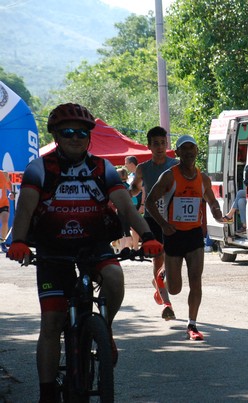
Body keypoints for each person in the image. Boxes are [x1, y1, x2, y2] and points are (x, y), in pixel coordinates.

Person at [6, 103, 163, 403]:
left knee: (114, 276)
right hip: (52, 251)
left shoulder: (102, 168)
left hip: (93, 244)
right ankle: (47, 392)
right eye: (67, 133)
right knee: (51, 323)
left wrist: (147, 236)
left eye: (81, 133)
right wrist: (20, 241)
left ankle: (105, 329)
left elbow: (127, 207)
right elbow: (25, 209)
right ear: (55, 135)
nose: (75, 138)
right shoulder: (39, 168)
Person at [145, 135, 226, 340]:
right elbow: (150, 202)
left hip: (194, 235)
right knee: (175, 288)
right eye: (185, 149)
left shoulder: (203, 178)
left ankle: (192, 325)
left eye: (193, 148)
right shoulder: (169, 176)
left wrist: (217, 213)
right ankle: (162, 275)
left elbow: (211, 201)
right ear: (178, 153)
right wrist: (164, 225)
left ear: (197, 152)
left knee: (196, 280)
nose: (189, 152)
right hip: (173, 235)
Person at [129, 127, 178, 320]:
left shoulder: (176, 165)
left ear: (167, 144)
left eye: (162, 142)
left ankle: (158, 283)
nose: (160, 147)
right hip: (152, 217)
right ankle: (167, 305)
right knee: (158, 257)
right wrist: (123, 197)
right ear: (149, 146)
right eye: (155, 143)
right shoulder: (143, 168)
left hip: (173, 217)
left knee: (172, 260)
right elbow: (134, 189)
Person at [124, 155, 142, 249]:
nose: (125, 165)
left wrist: (142, 205)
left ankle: (135, 247)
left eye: (126, 163)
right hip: (132, 204)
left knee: (135, 226)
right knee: (132, 226)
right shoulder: (130, 176)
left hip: (139, 204)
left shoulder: (140, 175)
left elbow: (144, 190)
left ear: (131, 164)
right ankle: (134, 247)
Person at [0, 170, 14, 253]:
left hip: (3, 204)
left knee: (5, 222)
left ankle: (2, 242)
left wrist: (11, 193)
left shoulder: (4, 174)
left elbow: (9, 184)